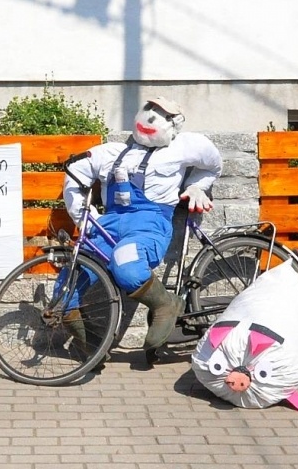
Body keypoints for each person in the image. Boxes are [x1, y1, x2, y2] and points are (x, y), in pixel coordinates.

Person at [60, 97, 223, 369]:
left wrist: (197, 186)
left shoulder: (185, 147)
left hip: (150, 223)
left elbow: (214, 165)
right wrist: (86, 220)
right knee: (67, 283)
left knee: (126, 263)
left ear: (174, 125)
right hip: (108, 223)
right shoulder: (111, 152)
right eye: (149, 110)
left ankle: (165, 305)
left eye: (160, 115)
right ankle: (91, 347)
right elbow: (74, 173)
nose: (150, 118)